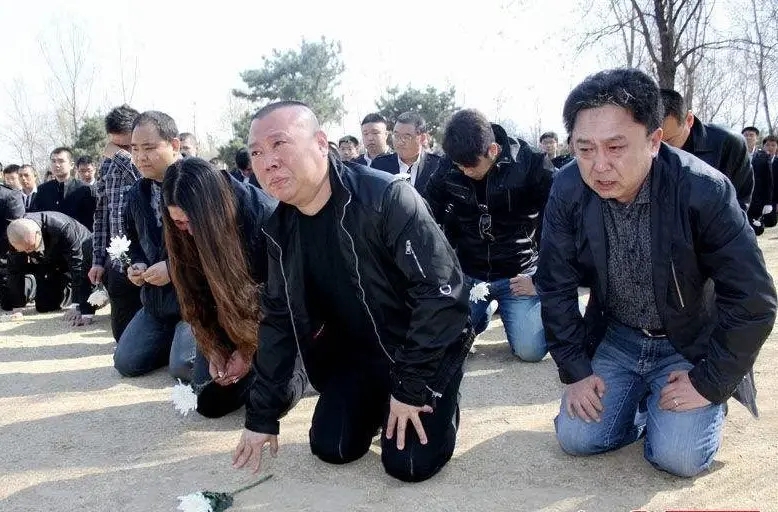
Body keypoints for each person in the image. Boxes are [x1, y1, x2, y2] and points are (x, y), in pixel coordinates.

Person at [536, 68, 777, 477]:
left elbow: (754, 300)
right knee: (577, 437)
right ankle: (647, 406)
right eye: (585, 148)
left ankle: (687, 415)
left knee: (678, 459)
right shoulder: (568, 187)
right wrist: (576, 370)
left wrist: (708, 381)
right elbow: (555, 284)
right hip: (618, 334)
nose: (599, 165)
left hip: (690, 342)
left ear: (653, 141)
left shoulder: (705, 190)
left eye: (615, 147)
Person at [232, 101, 473, 483]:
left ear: (320, 143)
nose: (268, 162)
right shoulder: (278, 228)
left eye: (280, 144)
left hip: (418, 351)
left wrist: (412, 387)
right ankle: (379, 401)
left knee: (408, 464)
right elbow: (278, 318)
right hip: (353, 359)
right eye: (257, 153)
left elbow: (443, 294)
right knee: (332, 447)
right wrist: (261, 416)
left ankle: (439, 395)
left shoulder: (386, 198)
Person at [425, 109, 555, 362]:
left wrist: (541, 279)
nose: (463, 171)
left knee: (531, 351)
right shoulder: (450, 165)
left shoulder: (531, 164)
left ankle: (546, 309)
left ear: (493, 151)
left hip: (518, 274)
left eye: (470, 165)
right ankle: (482, 311)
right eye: (458, 165)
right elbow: (426, 214)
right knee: (447, 345)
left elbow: (563, 224)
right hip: (469, 275)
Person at [162, 157, 288, 418]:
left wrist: (248, 349)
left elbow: (281, 299)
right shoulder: (181, 228)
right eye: (179, 223)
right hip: (227, 316)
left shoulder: (265, 215)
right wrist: (213, 346)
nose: (189, 232)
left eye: (194, 222)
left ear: (214, 209)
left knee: (270, 402)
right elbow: (194, 291)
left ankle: (296, 370)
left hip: (275, 322)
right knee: (209, 402)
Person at [112, 111, 196, 381]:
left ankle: (190, 338)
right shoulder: (136, 193)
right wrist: (135, 264)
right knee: (126, 362)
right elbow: (133, 241)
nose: (139, 157)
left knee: (185, 369)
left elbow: (221, 248)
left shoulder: (200, 185)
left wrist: (173, 269)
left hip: (197, 300)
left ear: (174, 145)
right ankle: (172, 340)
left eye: (148, 148)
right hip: (157, 302)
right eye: (134, 149)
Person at [89, 105, 144, 342]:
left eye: (127, 146)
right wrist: (97, 261)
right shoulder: (107, 164)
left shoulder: (145, 160)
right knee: (122, 339)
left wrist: (120, 154)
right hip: (119, 258)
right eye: (116, 144)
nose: (118, 150)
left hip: (148, 254)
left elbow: (141, 178)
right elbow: (101, 214)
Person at [659, 89, 753, 212]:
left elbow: (740, 200)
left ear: (689, 120)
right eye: (652, 141)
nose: (658, 149)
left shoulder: (729, 144)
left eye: (669, 141)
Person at [4, 213, 95, 324]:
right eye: (23, 250)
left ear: (38, 234)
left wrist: (77, 305)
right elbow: (15, 271)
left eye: (30, 247)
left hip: (83, 258)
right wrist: (17, 307)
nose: (28, 252)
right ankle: (68, 291)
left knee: (88, 298)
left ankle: (96, 291)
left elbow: (77, 266)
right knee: (44, 305)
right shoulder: (17, 235)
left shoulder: (62, 228)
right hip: (50, 262)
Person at [371, 112, 442, 194]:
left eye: (406, 137)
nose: (400, 142)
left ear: (422, 138)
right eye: (396, 136)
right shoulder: (379, 166)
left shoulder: (437, 165)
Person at [30, 147, 96, 230]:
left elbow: (92, 221)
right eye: (53, 161)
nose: (56, 165)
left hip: (79, 239)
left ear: (71, 165)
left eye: (61, 161)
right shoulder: (42, 190)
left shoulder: (85, 189)